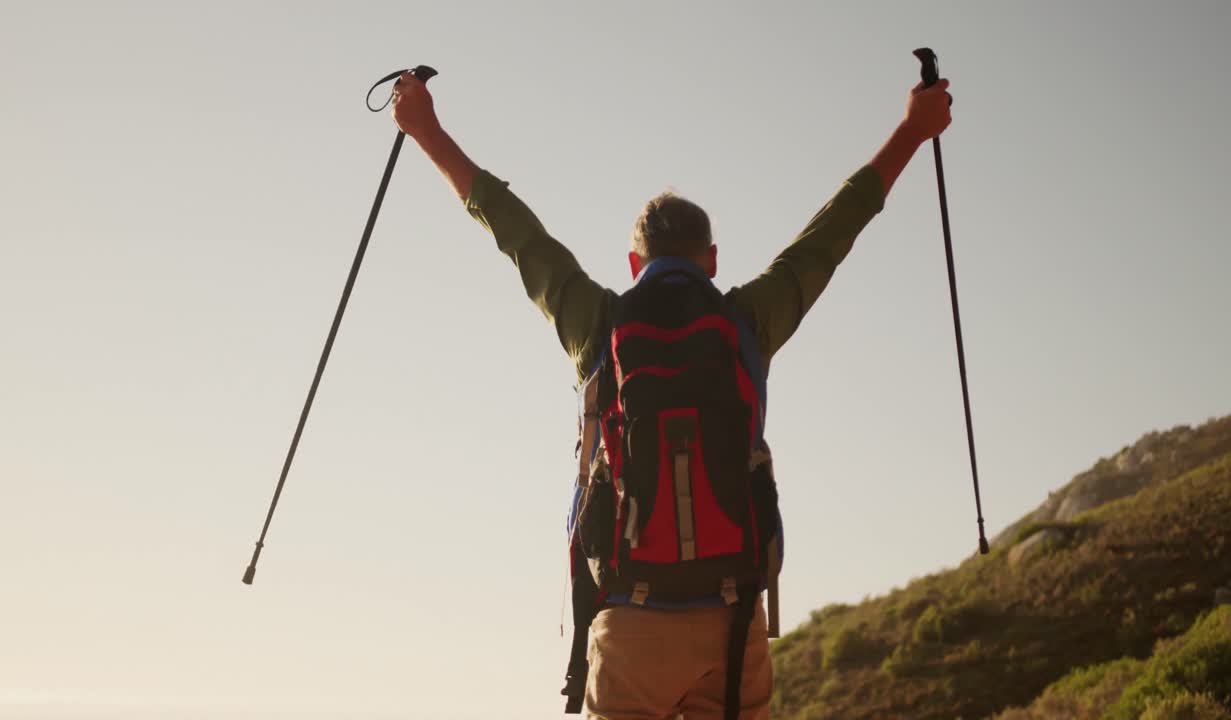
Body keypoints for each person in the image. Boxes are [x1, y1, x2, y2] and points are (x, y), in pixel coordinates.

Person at [391, 69, 952, 720]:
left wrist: (425, 130)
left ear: (635, 263)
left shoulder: (597, 324)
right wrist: (914, 129)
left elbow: (517, 234)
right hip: (734, 624)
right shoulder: (749, 323)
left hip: (631, 620)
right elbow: (833, 232)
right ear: (711, 258)